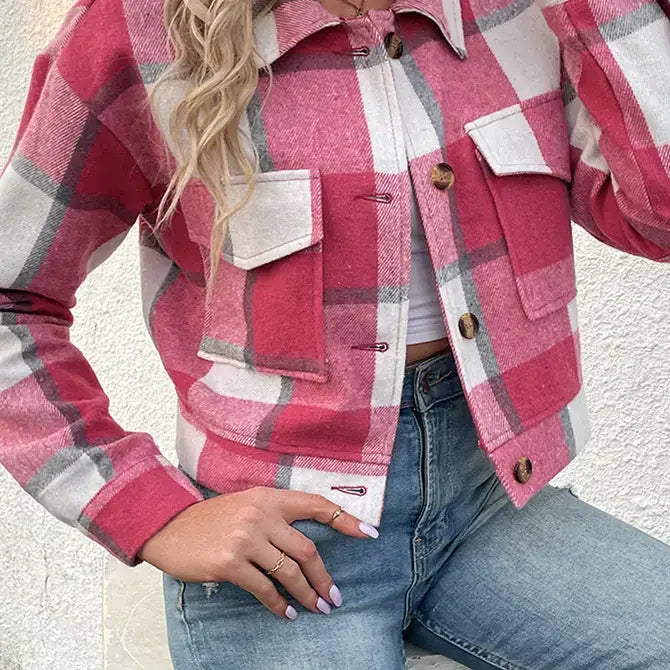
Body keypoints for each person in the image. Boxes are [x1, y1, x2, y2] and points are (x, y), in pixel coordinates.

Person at [1, 0, 669, 667]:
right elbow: (13, 299)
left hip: (486, 505)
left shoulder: (523, 12)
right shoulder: (138, 30)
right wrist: (153, 512)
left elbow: (658, 216)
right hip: (283, 555)